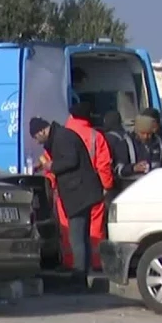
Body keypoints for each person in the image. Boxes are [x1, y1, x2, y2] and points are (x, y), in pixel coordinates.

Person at [31, 117, 104, 291]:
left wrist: (51, 166)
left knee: (76, 236)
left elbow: (70, 160)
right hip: (81, 192)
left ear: (42, 131)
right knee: (82, 236)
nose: (36, 141)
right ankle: (82, 274)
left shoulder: (63, 137)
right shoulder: (59, 137)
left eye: (36, 137)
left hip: (79, 193)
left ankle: (79, 277)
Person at [63, 101, 113, 266]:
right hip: (92, 188)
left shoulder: (62, 135)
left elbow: (51, 161)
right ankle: (95, 262)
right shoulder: (95, 136)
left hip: (67, 190)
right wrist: (107, 186)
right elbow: (104, 165)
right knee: (94, 227)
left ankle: (70, 263)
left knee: (68, 229)